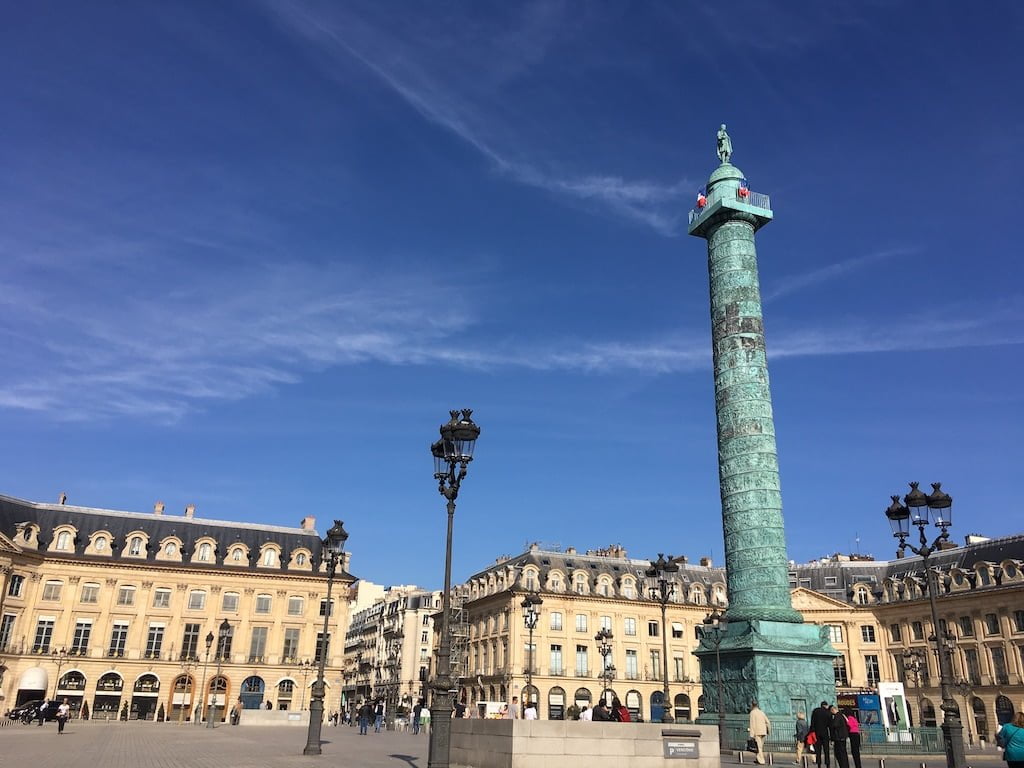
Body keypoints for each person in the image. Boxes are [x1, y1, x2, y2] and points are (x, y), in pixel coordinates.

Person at [810, 701, 833, 768]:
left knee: (818, 750)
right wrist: (832, 737)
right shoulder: (828, 713)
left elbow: (812, 723)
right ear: (826, 706)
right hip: (825, 733)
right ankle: (827, 764)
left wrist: (812, 732)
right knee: (826, 750)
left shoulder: (815, 711)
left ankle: (819, 764)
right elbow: (830, 726)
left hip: (817, 733)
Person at [748, 700, 771, 765]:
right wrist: (768, 731)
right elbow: (768, 722)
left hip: (757, 732)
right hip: (763, 731)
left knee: (759, 747)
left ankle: (761, 761)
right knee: (760, 747)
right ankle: (758, 759)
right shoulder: (761, 712)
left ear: (752, 705)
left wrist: (751, 735)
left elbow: (752, 724)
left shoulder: (752, 713)